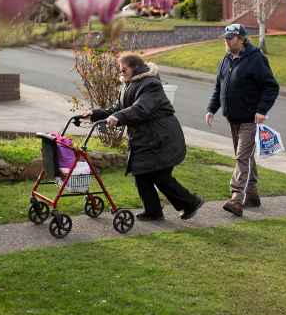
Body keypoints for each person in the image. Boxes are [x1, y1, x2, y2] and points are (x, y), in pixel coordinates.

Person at [82, 53, 204, 221]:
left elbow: (141, 108)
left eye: (124, 70)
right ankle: (153, 211)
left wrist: (120, 117)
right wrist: (95, 114)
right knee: (141, 172)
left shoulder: (151, 84)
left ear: (136, 68)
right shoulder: (128, 85)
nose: (121, 74)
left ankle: (191, 202)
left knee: (160, 176)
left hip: (162, 137)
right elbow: (116, 108)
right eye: (120, 70)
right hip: (148, 137)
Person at [205, 24, 280, 216]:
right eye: (226, 38)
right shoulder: (225, 60)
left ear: (242, 39)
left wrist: (262, 109)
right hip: (233, 118)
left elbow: (271, 86)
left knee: (242, 157)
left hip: (250, 119)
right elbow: (218, 87)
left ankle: (237, 199)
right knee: (245, 157)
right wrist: (212, 109)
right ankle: (252, 193)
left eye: (231, 38)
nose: (227, 41)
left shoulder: (256, 59)